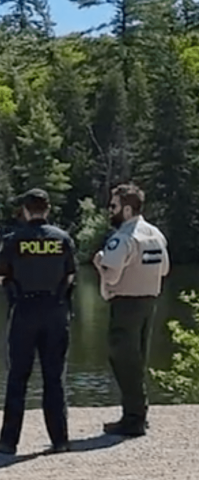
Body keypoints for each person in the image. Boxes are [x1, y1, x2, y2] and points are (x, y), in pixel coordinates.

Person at [0, 188, 76, 455]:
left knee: (18, 377)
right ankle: (60, 440)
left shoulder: (13, 240)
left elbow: (1, 276)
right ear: (47, 210)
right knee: (54, 378)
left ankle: (8, 442)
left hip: (24, 311)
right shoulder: (62, 239)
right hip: (55, 310)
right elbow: (71, 276)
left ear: (25, 211)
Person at [91, 183, 170, 437]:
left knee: (124, 360)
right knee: (137, 360)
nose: (109, 211)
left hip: (125, 304)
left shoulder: (123, 237)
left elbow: (111, 276)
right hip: (149, 303)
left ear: (126, 209)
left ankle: (133, 418)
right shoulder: (155, 234)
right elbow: (165, 269)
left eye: (112, 206)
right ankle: (137, 414)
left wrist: (100, 262)